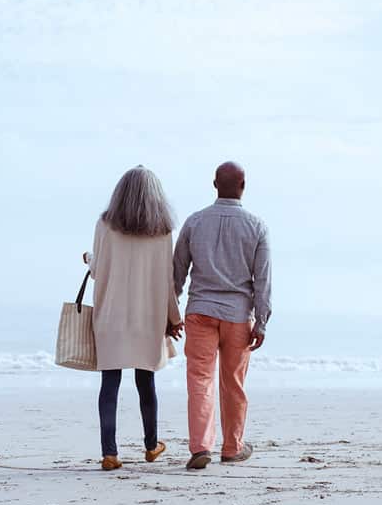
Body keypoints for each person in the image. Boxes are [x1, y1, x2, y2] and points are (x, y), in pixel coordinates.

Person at [83, 166, 184, 471]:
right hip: (147, 316)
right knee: (146, 381)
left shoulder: (105, 225)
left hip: (112, 315)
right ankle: (152, 446)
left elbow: (99, 270)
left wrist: (89, 259)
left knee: (110, 383)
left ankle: (110, 453)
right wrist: (174, 317)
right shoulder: (163, 231)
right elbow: (168, 281)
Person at [173, 161, 272, 470]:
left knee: (200, 381)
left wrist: (171, 310)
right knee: (233, 383)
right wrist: (263, 320)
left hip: (201, 311)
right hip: (238, 315)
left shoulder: (195, 222)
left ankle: (201, 447)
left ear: (214, 185)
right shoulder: (256, 225)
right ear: (244, 186)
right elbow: (263, 279)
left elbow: (177, 271)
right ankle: (232, 447)